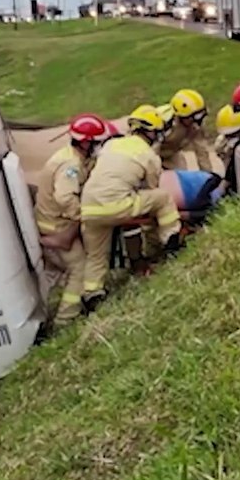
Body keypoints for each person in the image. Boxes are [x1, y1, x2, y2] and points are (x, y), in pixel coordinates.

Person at [79, 105, 182, 308]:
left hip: (89, 207)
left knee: (96, 255)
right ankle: (171, 239)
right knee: (162, 198)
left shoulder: (111, 145)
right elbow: (152, 187)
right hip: (117, 205)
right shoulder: (149, 155)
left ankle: (92, 292)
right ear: (152, 131)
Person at [34, 113, 116, 325]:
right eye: (97, 143)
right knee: (80, 269)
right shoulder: (70, 165)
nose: (100, 147)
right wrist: (85, 215)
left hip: (53, 221)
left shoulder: (74, 157)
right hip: (56, 225)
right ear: (86, 142)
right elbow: (65, 197)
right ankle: (65, 320)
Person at [160, 89, 222, 174]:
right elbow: (150, 149)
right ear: (181, 116)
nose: (196, 122)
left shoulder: (195, 126)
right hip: (149, 153)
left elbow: (202, 152)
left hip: (171, 153)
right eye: (193, 117)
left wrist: (208, 176)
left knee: (181, 175)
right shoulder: (163, 123)